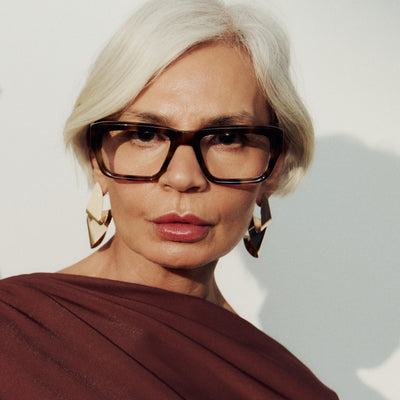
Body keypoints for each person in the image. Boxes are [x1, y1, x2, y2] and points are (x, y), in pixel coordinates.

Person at [0, 0, 339, 398]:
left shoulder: (292, 391)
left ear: (274, 165)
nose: (183, 177)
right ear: (97, 157)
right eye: (146, 134)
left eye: (227, 138)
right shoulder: (13, 329)